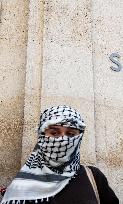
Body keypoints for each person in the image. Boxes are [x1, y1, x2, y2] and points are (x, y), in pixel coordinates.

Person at [1, 105, 119, 204]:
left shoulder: (94, 177)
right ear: (42, 136)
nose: (63, 139)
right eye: (54, 133)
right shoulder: (21, 188)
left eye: (71, 134)